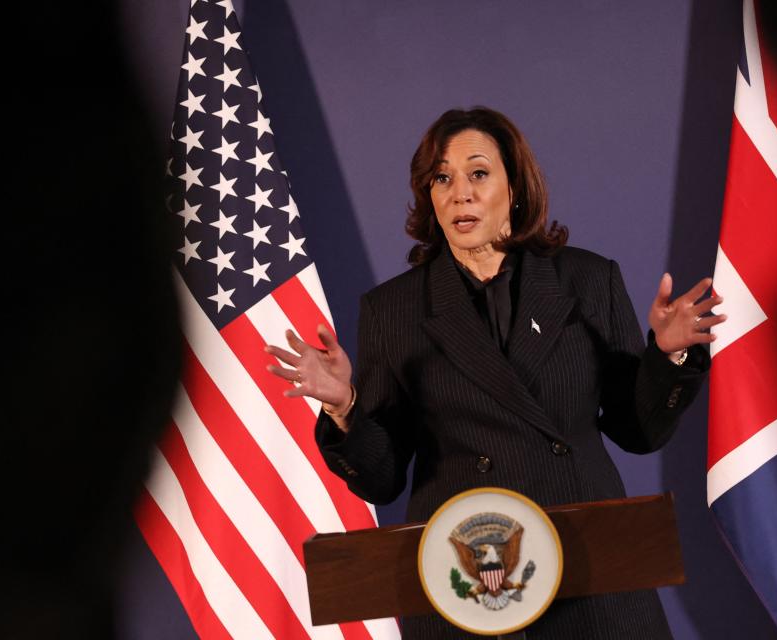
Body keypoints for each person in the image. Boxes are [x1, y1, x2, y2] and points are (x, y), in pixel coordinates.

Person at [265, 107, 725, 638]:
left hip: (593, 576)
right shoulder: (393, 309)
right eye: (442, 178)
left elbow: (638, 430)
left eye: (478, 173)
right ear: (428, 197)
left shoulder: (587, 279)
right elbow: (382, 478)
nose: (460, 192)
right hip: (470, 591)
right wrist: (343, 405)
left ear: (516, 187)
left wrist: (665, 357)